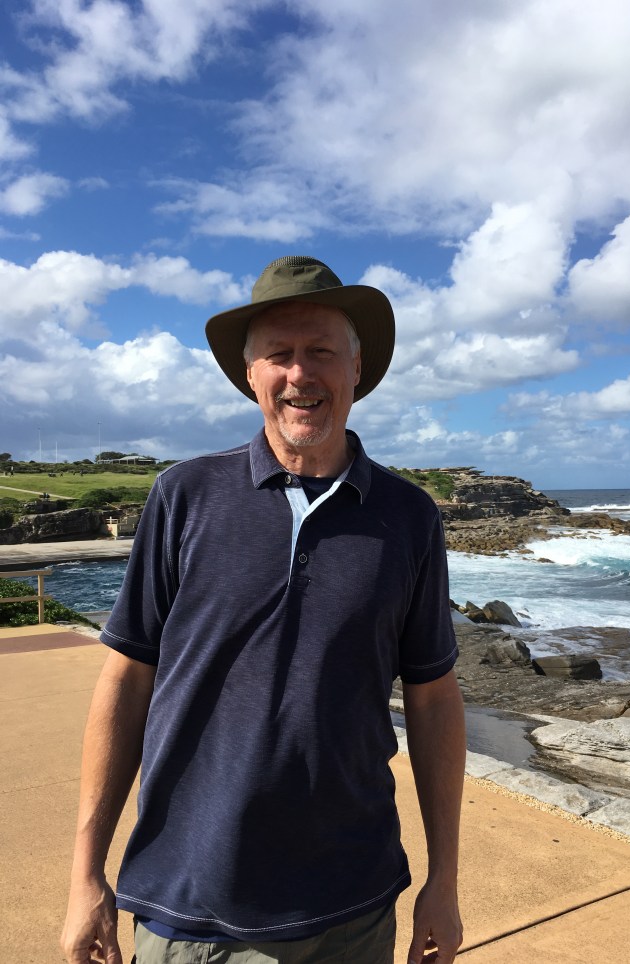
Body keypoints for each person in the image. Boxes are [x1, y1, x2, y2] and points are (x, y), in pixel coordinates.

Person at [61, 255, 466, 964]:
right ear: (251, 374)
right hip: (191, 904)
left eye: (321, 352)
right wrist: (84, 876)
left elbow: (432, 700)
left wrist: (445, 881)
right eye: (279, 354)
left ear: (356, 367)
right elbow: (126, 681)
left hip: (353, 907)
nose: (300, 374)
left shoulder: (408, 516)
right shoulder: (184, 496)